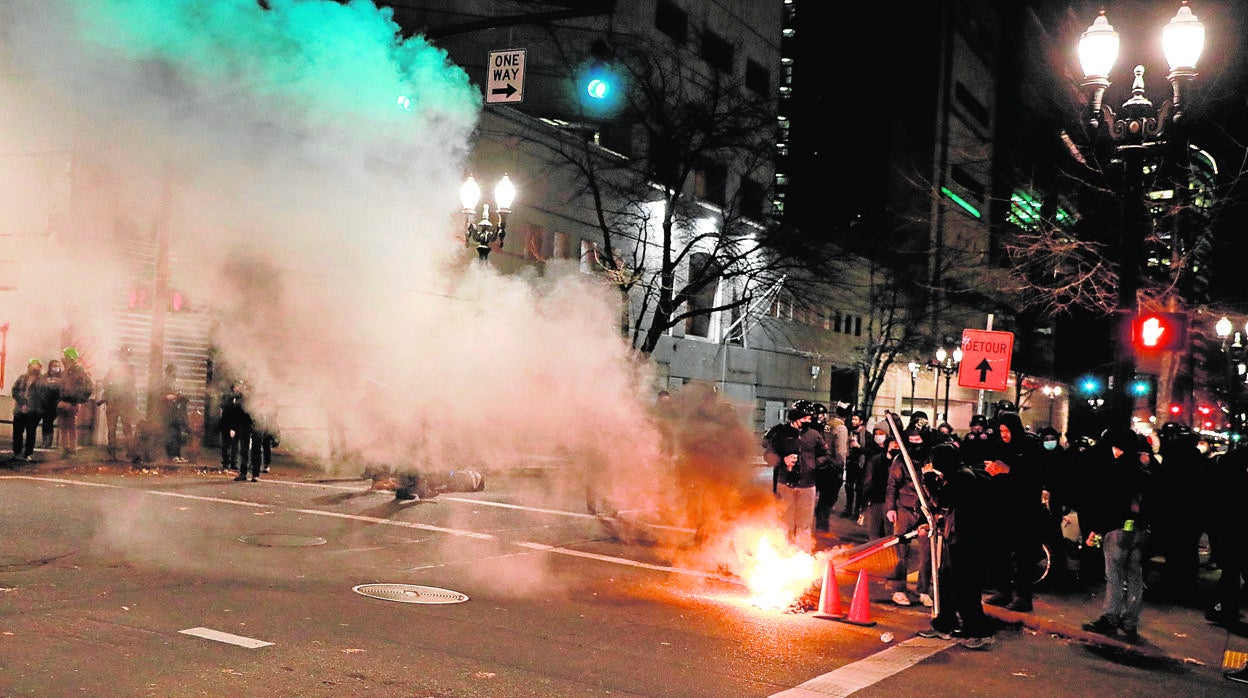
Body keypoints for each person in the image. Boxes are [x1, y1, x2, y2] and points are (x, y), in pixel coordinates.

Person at [918, 442, 997, 649]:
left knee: (965, 588)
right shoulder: (957, 475)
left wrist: (929, 481)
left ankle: (979, 630)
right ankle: (945, 622)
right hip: (958, 537)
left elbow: (941, 501)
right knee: (945, 581)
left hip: (969, 540)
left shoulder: (962, 477)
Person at [1081, 429, 1152, 642]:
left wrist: (1096, 528)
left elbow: (1107, 503)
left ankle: (1109, 618)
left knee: (1114, 577)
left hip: (1117, 530)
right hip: (1139, 531)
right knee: (1135, 577)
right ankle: (1130, 620)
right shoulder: (1144, 471)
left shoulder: (1117, 470)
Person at [983, 411, 1045, 613]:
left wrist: (1009, 470)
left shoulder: (1029, 445)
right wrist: (992, 470)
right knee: (999, 552)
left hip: (1024, 510)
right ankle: (1003, 591)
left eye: (1007, 430)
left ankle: (1024, 597)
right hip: (1002, 508)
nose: (1004, 434)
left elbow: (1034, 474)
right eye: (1001, 430)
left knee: (1023, 556)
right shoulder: (1000, 446)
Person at [885, 412, 933, 607]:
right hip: (904, 509)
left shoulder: (932, 456)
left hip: (925, 510)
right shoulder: (901, 459)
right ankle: (898, 589)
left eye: (918, 439)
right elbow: (892, 485)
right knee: (900, 553)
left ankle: (923, 590)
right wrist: (890, 508)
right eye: (911, 439)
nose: (915, 443)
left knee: (926, 553)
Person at [765, 402, 819, 551]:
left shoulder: (814, 435)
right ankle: (784, 552)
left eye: (810, 418)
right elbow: (768, 455)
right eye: (805, 418)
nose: (808, 421)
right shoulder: (780, 434)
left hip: (808, 485)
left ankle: (802, 553)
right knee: (785, 522)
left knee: (804, 524)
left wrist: (813, 464)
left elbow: (825, 455)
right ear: (796, 417)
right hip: (785, 484)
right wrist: (783, 460)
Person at [859, 419, 896, 540]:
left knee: (888, 533)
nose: (879, 436)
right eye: (877, 433)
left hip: (888, 502)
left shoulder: (895, 460)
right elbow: (867, 481)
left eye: (882, 433)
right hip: (876, 499)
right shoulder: (874, 456)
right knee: (875, 533)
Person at [813, 403, 847, 532]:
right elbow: (841, 452)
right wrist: (840, 467)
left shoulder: (828, 425)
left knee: (822, 500)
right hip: (832, 467)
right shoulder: (840, 428)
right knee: (828, 500)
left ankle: (820, 526)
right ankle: (822, 528)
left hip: (821, 466)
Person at [98, 358, 138, 461]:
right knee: (116, 429)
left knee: (124, 428)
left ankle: (128, 453)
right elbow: (106, 383)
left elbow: (131, 387)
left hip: (122, 404)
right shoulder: (116, 369)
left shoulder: (128, 370)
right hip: (116, 403)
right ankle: (115, 454)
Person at [57, 346, 94, 456]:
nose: (63, 359)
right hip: (63, 402)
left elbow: (88, 387)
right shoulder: (67, 371)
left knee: (70, 427)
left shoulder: (78, 371)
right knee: (64, 427)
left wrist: (76, 401)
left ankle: (72, 449)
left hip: (71, 403)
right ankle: (65, 448)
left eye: (65, 357)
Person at [10, 359, 45, 462]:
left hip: (33, 411)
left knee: (31, 432)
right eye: (32, 367)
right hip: (19, 410)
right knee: (17, 432)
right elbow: (14, 390)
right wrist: (22, 402)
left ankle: (28, 453)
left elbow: (42, 396)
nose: (34, 369)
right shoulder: (22, 378)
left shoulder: (42, 381)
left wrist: (32, 406)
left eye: (36, 367)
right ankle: (16, 452)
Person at [218, 382, 253, 478]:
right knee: (226, 443)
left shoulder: (242, 399)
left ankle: (234, 463)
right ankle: (226, 462)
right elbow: (223, 409)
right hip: (226, 423)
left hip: (237, 424)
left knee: (235, 444)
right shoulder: (227, 397)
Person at [156, 364, 189, 464]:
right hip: (167, 412)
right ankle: (171, 456)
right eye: (173, 371)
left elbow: (178, 394)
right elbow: (159, 397)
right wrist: (168, 397)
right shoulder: (163, 384)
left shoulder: (175, 383)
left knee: (178, 433)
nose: (175, 373)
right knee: (170, 434)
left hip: (176, 411)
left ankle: (178, 454)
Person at [843, 410, 868, 518]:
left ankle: (857, 511)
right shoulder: (850, 432)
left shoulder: (867, 435)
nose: (853, 421)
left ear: (861, 421)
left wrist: (859, 447)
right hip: (850, 463)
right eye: (853, 419)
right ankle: (848, 509)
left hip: (861, 465)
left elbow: (870, 450)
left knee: (859, 489)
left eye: (856, 419)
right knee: (848, 487)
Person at [39, 358, 63, 449]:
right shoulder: (45, 377)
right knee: (46, 422)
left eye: (57, 366)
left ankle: (49, 442)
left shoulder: (62, 377)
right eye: (53, 366)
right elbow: (41, 388)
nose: (55, 368)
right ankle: (45, 441)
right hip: (46, 403)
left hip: (56, 403)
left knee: (49, 422)